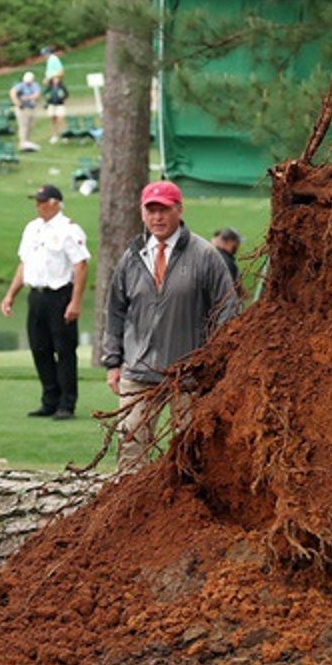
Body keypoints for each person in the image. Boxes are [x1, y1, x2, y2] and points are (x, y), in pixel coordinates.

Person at [101, 181, 240, 473]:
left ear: (179, 210)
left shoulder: (205, 256)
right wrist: (113, 361)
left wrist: (215, 362)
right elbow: (115, 311)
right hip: (138, 371)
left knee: (194, 448)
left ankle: (191, 510)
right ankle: (129, 509)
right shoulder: (132, 257)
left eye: (164, 209)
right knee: (131, 445)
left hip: (189, 375)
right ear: (142, 213)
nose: (157, 218)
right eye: (151, 210)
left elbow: (228, 310)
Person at [0, 185, 90, 421]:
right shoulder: (32, 228)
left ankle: (66, 403)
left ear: (55, 203)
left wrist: (75, 302)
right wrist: (10, 295)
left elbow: (80, 265)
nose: (37, 206)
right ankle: (49, 400)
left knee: (64, 350)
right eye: (36, 201)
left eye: (41, 201)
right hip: (36, 295)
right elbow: (24, 264)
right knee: (40, 349)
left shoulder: (69, 229)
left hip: (60, 295)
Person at [10, 71, 42, 151]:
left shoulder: (35, 85)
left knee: (30, 125)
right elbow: (12, 93)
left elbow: (37, 94)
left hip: (31, 108)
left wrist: (29, 98)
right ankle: (22, 143)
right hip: (22, 108)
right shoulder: (20, 86)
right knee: (23, 126)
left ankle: (27, 141)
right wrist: (17, 102)